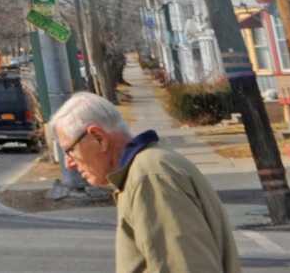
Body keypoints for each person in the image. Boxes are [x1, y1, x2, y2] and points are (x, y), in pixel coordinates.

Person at [50, 92, 240, 273]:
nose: (69, 164)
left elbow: (182, 267)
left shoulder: (148, 176)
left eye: (69, 151)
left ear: (99, 138)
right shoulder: (145, 170)